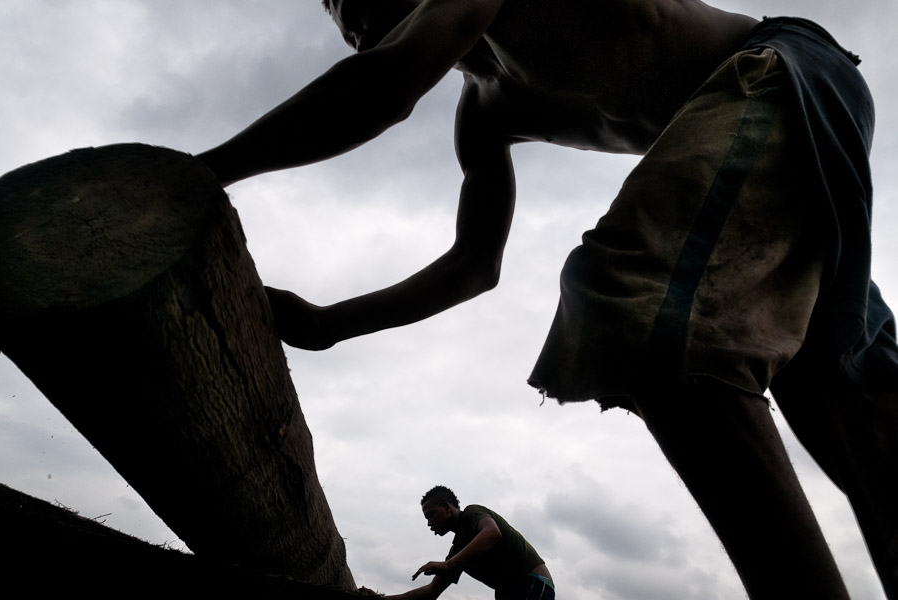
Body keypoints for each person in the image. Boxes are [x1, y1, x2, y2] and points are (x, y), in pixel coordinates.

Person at [197, 1, 898, 597]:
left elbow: (384, 87)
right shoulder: (484, 115)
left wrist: (202, 173)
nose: (370, 29)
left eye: (377, 6)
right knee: (842, 388)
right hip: (775, 145)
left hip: (782, 69)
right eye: (352, 26)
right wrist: (328, 324)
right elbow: (473, 266)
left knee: (632, 302)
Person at [382, 486, 554, 600]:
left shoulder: (472, 513)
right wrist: (379, 598)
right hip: (507, 592)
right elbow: (430, 592)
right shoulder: (458, 550)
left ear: (448, 508)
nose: (429, 522)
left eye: (431, 515)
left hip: (533, 583)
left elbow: (492, 533)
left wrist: (449, 565)